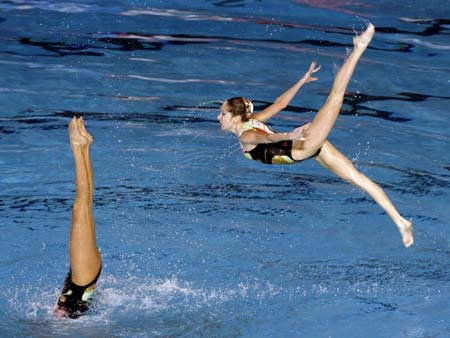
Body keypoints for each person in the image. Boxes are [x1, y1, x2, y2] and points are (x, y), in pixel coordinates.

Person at [217, 23, 414, 248]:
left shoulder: (246, 135)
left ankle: (360, 47)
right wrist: (301, 81)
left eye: (222, 113)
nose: (218, 117)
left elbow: (267, 139)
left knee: (336, 96)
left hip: (305, 146)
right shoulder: (254, 120)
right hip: (309, 146)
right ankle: (401, 222)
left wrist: (289, 134)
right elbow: (280, 104)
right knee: (357, 178)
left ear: (235, 117)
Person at [54, 117, 102, 318]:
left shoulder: (68, 319)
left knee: (85, 206)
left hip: (85, 278)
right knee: (80, 208)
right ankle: (77, 147)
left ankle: (85, 147)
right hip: (82, 280)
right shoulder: (69, 317)